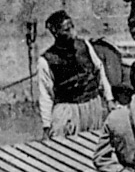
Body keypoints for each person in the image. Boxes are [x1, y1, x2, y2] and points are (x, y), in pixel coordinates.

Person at [35, 9, 113, 139]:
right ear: (56, 33)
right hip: (68, 110)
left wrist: (109, 99)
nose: (72, 33)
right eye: (66, 30)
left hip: (92, 105)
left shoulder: (84, 46)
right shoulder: (46, 60)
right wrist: (46, 126)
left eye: (72, 27)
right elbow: (45, 95)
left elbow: (100, 71)